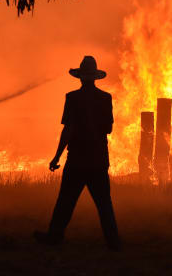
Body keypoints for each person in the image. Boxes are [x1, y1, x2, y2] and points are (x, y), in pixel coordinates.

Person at [34, 56, 121, 251]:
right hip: (98, 159)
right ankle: (113, 242)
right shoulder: (105, 98)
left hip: (77, 160)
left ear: (80, 78)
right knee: (104, 204)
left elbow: (68, 130)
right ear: (95, 78)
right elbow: (108, 128)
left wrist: (57, 157)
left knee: (65, 201)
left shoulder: (72, 98)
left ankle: (54, 236)